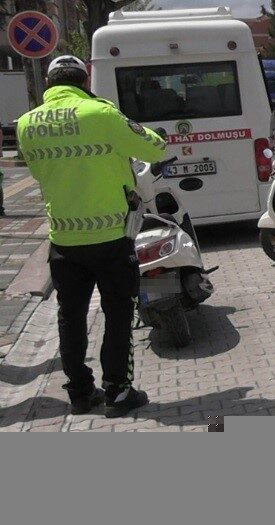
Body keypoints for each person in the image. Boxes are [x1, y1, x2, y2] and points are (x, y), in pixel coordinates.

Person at [15, 55, 167, 417]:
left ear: (49, 84)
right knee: (118, 313)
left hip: (64, 239)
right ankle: (118, 391)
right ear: (85, 81)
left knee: (70, 316)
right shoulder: (101, 113)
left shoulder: (26, 123)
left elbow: (39, 173)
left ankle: (80, 393)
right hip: (111, 236)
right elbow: (154, 148)